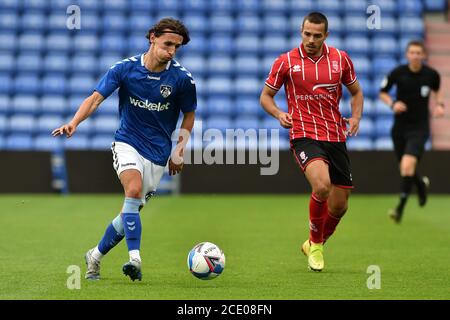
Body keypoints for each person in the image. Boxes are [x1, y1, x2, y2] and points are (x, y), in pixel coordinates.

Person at [52, 18, 196, 281]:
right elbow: (95, 98)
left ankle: (94, 256)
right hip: (127, 142)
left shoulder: (182, 79)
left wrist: (179, 150)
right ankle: (135, 259)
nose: (172, 51)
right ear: (152, 37)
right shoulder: (125, 69)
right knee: (132, 190)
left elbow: (189, 115)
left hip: (158, 153)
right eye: (167, 44)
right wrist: (74, 122)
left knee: (128, 214)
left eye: (177, 46)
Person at [260, 12, 363, 272]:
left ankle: (314, 242)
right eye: (307, 34)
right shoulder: (285, 62)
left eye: (317, 35)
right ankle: (316, 246)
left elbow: (357, 92)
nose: (311, 39)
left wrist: (356, 117)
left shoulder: (341, 59)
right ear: (301, 31)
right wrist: (278, 113)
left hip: (335, 135)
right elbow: (266, 97)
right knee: (322, 186)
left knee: (340, 205)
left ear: (326, 35)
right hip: (304, 133)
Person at [379, 40, 444, 224]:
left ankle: (399, 209)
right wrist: (392, 104)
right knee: (405, 169)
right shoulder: (398, 73)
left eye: (418, 53)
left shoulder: (431, 75)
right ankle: (421, 184)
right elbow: (382, 92)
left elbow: (438, 90)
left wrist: (439, 105)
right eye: (412, 52)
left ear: (423, 55)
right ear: (407, 55)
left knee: (407, 166)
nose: (415, 56)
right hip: (399, 128)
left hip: (420, 127)